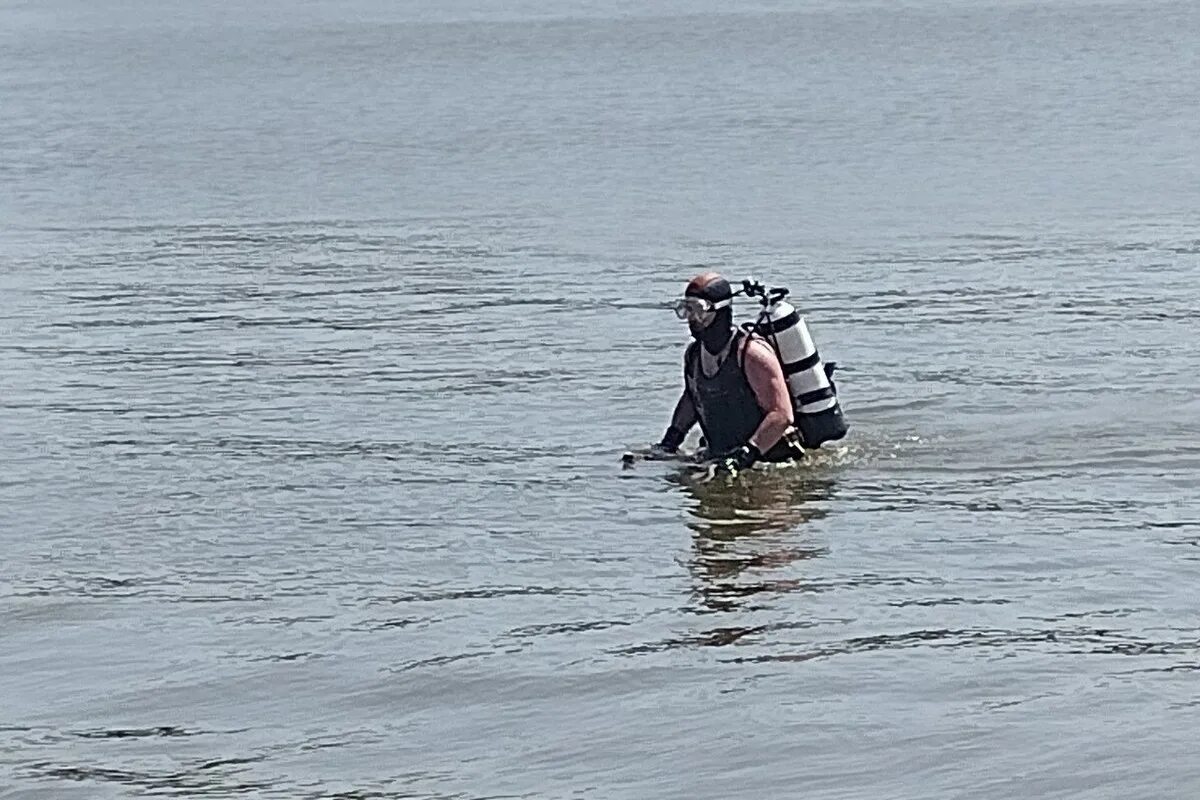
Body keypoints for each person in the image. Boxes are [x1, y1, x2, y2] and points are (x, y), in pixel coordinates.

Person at [653, 271, 804, 475]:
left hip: (772, 462)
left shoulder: (751, 354)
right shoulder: (694, 355)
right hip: (721, 455)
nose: (692, 319)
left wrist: (746, 454)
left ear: (720, 311)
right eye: (686, 310)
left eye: (699, 310)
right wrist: (671, 440)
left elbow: (781, 414)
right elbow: (693, 395)